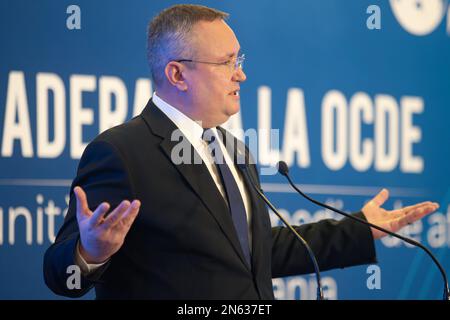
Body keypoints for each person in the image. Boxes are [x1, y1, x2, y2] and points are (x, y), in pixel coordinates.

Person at [43, 4, 439, 299]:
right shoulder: (120, 151)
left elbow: (256, 252)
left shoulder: (233, 149)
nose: (241, 74)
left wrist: (359, 229)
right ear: (177, 74)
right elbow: (59, 272)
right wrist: (89, 252)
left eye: (240, 59)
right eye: (227, 62)